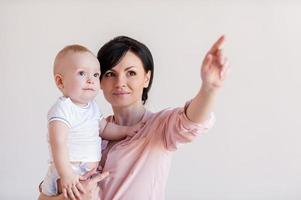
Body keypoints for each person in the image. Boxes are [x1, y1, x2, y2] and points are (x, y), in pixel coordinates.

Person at [39, 35, 229, 200]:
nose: (120, 82)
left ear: (146, 78)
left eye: (131, 73)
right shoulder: (87, 127)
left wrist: (209, 88)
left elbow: (192, 121)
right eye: (110, 74)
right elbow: (43, 197)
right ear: (100, 82)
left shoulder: (160, 127)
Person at [40, 45, 129, 200]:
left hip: (87, 171)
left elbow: (105, 128)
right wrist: (66, 173)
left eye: (95, 75)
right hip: (69, 169)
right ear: (60, 82)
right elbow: (58, 142)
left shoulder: (93, 108)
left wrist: (127, 130)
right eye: (82, 73)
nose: (90, 80)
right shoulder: (63, 108)